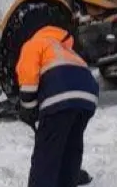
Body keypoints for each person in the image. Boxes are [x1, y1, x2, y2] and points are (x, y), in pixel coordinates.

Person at [16, 25, 99, 187]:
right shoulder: (66, 50)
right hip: (88, 99)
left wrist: (28, 107)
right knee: (71, 147)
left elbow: (28, 78)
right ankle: (69, 179)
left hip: (61, 97)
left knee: (47, 154)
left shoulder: (35, 43)